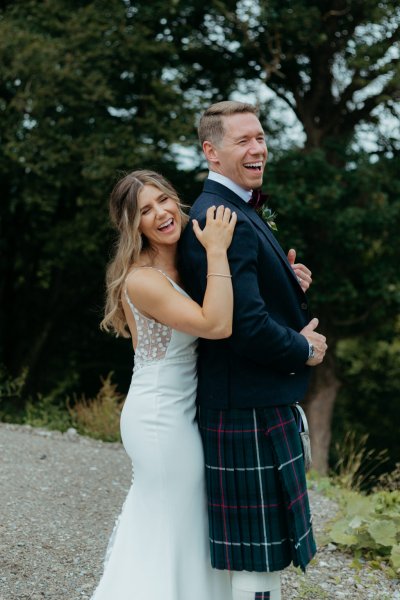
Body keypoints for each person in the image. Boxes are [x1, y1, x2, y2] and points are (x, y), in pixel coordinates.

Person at [179, 101, 328, 600]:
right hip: (245, 408)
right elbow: (242, 326)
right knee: (256, 559)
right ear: (211, 151)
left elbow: (247, 295)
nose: (257, 147)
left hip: (252, 404)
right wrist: (303, 348)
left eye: (260, 137)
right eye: (242, 140)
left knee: (262, 557)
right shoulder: (222, 216)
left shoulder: (240, 207)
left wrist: (288, 278)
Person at [93, 169, 236, 600]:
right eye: (145, 211)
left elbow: (233, 295)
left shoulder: (183, 258)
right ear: (132, 225)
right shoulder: (143, 279)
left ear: (176, 200)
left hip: (179, 413)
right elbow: (216, 323)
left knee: (175, 527)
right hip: (159, 419)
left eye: (163, 201)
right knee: (172, 529)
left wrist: (288, 278)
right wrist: (217, 250)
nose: (160, 214)